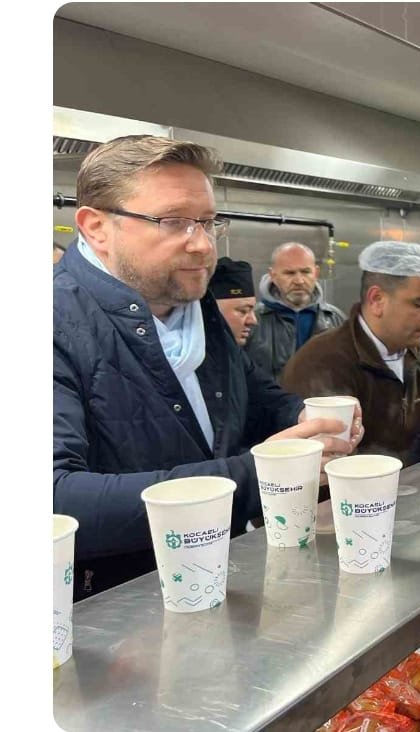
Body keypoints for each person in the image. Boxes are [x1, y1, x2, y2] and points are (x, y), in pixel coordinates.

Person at [54, 135, 363, 600]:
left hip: (221, 576)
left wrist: (305, 420)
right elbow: (57, 499)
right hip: (117, 610)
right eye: (174, 222)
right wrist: (257, 476)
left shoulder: (194, 309)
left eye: (207, 222)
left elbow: (252, 396)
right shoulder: (52, 321)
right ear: (96, 227)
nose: (201, 245)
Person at [282, 240, 420, 467]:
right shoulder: (324, 363)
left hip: (395, 493)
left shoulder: (419, 357)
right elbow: (337, 465)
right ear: (377, 300)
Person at [245, 242, 346, 381]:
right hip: (272, 402)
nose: (299, 281)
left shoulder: (335, 318)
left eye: (305, 272)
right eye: (289, 273)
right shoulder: (252, 320)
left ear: (316, 273)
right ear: (273, 276)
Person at [210, 256, 258, 347]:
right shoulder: (193, 358)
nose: (253, 321)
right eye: (243, 311)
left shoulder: (238, 356)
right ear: (213, 311)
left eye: (252, 311)